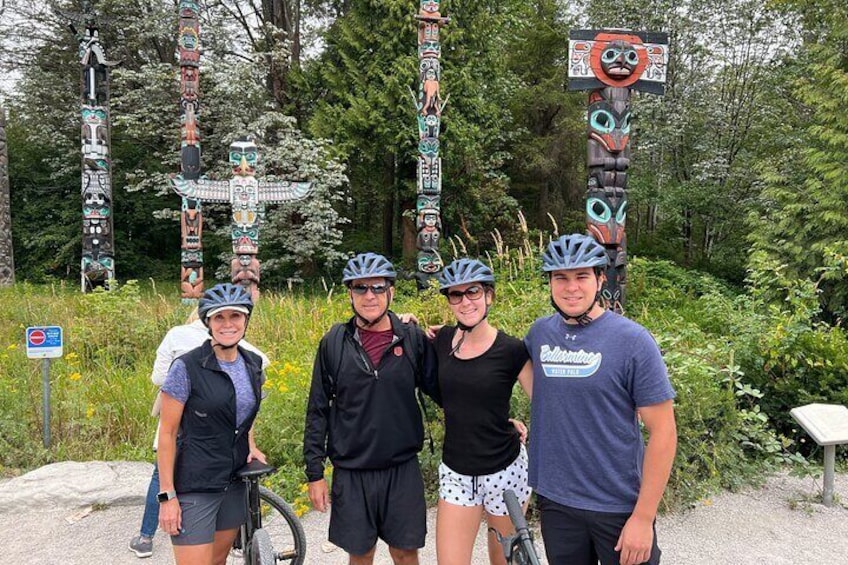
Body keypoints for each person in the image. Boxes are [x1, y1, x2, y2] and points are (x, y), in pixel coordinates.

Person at [524, 234, 677, 565]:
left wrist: (643, 517)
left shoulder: (633, 341)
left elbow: (663, 432)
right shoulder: (539, 334)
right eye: (560, 278)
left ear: (600, 278)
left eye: (581, 276)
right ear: (550, 283)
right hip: (557, 502)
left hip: (617, 505)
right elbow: (494, 360)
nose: (571, 288)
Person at [303, 252, 440, 565]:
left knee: (405, 554)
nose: (369, 295)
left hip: (401, 467)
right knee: (361, 555)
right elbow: (318, 408)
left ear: (391, 291)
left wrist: (498, 418)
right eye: (360, 288)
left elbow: (446, 392)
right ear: (350, 294)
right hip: (352, 470)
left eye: (378, 287)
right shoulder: (334, 342)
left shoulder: (412, 338)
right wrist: (315, 473)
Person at [129, 305, 269, 558]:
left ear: (246, 320)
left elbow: (244, 409)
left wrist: (250, 443)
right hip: (195, 483)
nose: (228, 324)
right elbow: (168, 433)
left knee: (218, 560)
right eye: (219, 317)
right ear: (208, 322)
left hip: (233, 480)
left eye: (235, 316)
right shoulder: (186, 366)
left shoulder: (253, 363)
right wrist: (167, 496)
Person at [432, 258, 533, 565]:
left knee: (502, 561)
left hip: (506, 469)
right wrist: (404, 320)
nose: (465, 301)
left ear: (490, 295)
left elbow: (547, 404)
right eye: (456, 294)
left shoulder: (512, 350)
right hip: (457, 472)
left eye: (473, 291)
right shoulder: (442, 340)